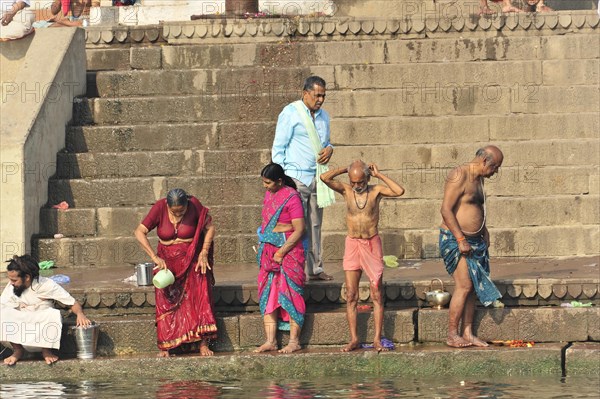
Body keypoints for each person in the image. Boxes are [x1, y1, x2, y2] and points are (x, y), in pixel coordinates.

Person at [320, 160, 405, 352]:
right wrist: (346, 168)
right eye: (353, 182)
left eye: (360, 182)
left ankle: (376, 339)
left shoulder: (375, 191)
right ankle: (354, 339)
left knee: (376, 293)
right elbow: (324, 177)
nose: (357, 186)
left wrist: (379, 175)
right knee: (351, 295)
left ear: (367, 178)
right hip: (352, 244)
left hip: (371, 244)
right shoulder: (346, 190)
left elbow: (399, 191)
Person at [134, 188, 217, 357]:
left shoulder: (194, 205)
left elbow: (210, 228)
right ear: (167, 205)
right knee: (164, 296)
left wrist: (204, 252)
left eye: (182, 211)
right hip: (167, 261)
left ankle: (203, 343)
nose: (178, 215)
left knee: (200, 292)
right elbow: (139, 232)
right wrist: (154, 257)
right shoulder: (159, 207)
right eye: (174, 212)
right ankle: (166, 345)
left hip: (191, 258)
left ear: (187, 204)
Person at [272, 76, 336, 282]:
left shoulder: (324, 117)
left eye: (323, 95)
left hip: (317, 177)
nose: (320, 99)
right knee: (295, 226)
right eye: (317, 95)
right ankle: (294, 268)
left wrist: (330, 149)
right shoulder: (290, 113)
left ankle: (316, 268)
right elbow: (278, 148)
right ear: (305, 93)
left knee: (316, 224)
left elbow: (326, 142)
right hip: (295, 178)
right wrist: (284, 181)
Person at [439, 146, 504, 348]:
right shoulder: (459, 175)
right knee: (464, 285)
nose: (496, 172)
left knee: (473, 288)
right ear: (484, 161)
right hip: (455, 239)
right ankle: (452, 334)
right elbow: (446, 210)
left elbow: (476, 207)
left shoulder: (480, 179)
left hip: (476, 242)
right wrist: (460, 239)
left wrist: (484, 230)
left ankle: (467, 333)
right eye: (495, 167)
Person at [0, 254, 91, 365]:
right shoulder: (12, 286)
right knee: (3, 312)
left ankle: (46, 351)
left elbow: (71, 302)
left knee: (54, 314)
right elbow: (3, 304)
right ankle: (18, 350)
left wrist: (80, 314)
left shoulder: (46, 284)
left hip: (43, 325)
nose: (11, 283)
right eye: (11, 280)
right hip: (22, 327)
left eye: (14, 280)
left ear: (27, 277)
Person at [254, 163, 306, 354]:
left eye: (268, 182)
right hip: (269, 251)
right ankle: (271, 341)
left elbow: (300, 229)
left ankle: (294, 341)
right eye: (263, 182)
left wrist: (282, 251)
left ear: (279, 181)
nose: (265, 186)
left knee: (291, 293)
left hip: (288, 251)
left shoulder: (292, 197)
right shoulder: (269, 194)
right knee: (268, 295)